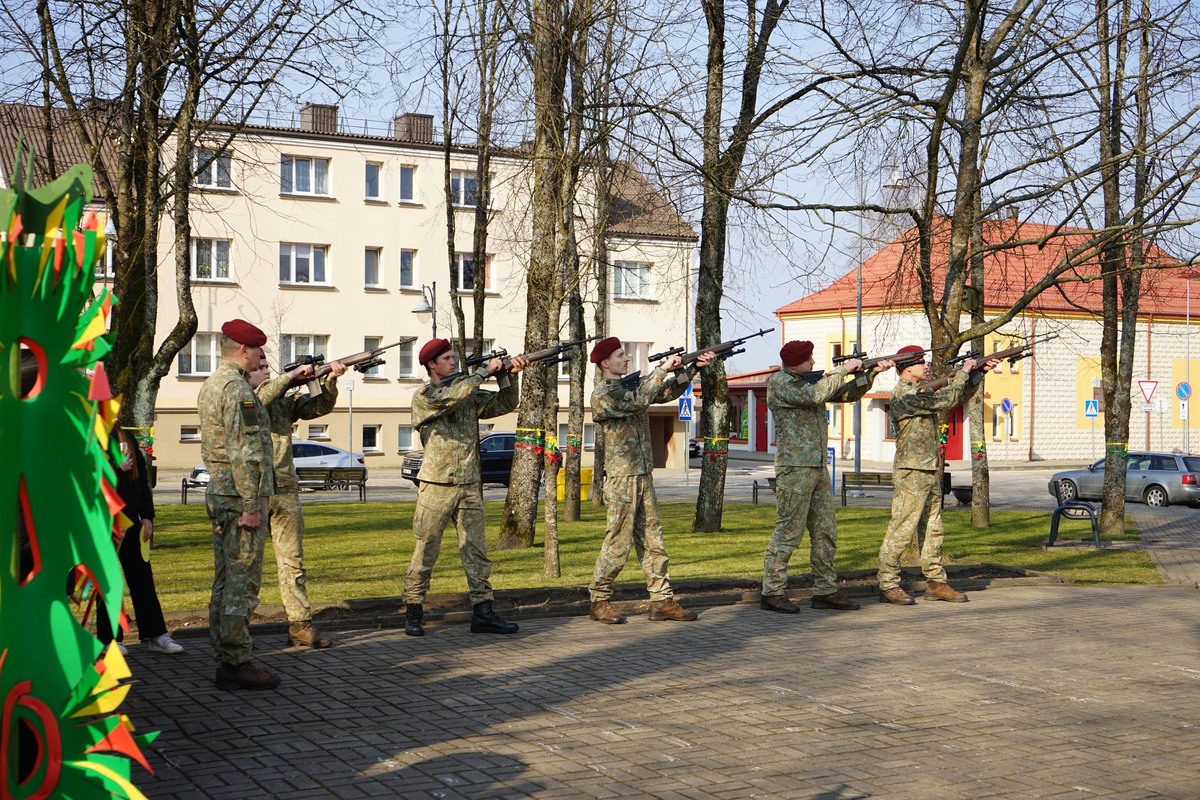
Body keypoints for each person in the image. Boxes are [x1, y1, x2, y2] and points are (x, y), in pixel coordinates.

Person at [403, 338, 529, 637]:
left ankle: (483, 611)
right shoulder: (425, 395)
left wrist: (507, 376)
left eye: (452, 357)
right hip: (436, 484)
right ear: (431, 364)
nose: (452, 362)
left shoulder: (467, 389)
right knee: (426, 549)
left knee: (477, 551)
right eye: (446, 359)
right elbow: (452, 397)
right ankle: (413, 609)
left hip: (469, 483)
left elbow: (504, 403)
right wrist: (483, 372)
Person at [586, 337, 715, 624]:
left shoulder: (632, 387)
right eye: (621, 355)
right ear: (605, 363)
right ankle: (599, 600)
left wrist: (690, 369)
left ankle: (661, 600)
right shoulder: (603, 394)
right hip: (622, 478)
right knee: (618, 543)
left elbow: (664, 391)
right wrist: (661, 370)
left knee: (653, 540)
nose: (627, 359)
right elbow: (641, 399)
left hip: (643, 474)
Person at [760, 340, 894, 614]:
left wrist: (869, 374)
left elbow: (845, 395)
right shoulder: (780, 383)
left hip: (818, 466)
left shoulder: (808, 382)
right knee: (788, 532)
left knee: (825, 531)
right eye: (808, 359)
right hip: (794, 468)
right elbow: (815, 395)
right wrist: (843, 369)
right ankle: (772, 592)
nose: (812, 363)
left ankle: (825, 590)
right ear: (794, 362)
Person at [878, 345, 999, 605]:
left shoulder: (920, 391)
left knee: (933, 528)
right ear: (907, 367)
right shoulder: (904, 395)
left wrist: (976, 375)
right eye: (921, 363)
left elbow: (958, 396)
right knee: (902, 528)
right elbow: (946, 399)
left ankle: (935, 582)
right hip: (911, 470)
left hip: (930, 467)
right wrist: (964, 373)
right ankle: (888, 583)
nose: (926, 367)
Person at [198, 319, 280, 690]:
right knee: (241, 582)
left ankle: (225, 651)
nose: (260, 357)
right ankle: (235, 660)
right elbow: (244, 451)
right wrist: (251, 504)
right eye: (258, 352)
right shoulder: (237, 390)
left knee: (224, 578)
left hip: (221, 494)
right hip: (238, 499)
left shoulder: (212, 384)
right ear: (244, 351)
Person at [251, 353, 347, 649]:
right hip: (252, 491)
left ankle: (300, 625)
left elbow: (315, 408)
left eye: (269, 366)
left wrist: (328, 381)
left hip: (284, 488)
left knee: (293, 562)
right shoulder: (242, 396)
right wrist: (289, 379)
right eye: (260, 367)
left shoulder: (281, 399)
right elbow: (259, 401)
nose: (266, 371)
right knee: (247, 565)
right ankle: (238, 630)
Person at [95, 429, 185, 655]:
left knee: (142, 580)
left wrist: (147, 515)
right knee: (108, 583)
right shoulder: (88, 436)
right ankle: (111, 639)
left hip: (132, 522)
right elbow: (88, 481)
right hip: (103, 522)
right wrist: (116, 470)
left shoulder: (126, 437)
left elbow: (142, 480)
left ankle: (156, 634)